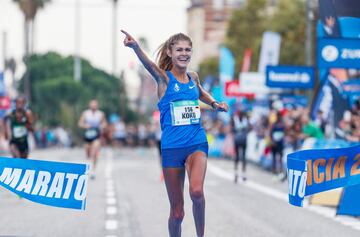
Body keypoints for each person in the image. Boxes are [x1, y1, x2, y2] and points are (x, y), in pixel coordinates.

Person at [121, 30, 228, 237]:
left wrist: (214, 103)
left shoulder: (193, 77)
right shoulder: (164, 79)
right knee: (177, 213)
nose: (184, 53)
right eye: (179, 49)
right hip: (171, 148)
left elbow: (199, 91)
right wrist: (135, 48)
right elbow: (149, 65)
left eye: (188, 50)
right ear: (170, 52)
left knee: (197, 192)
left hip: (196, 142)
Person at [78, 99, 107, 179]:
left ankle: (93, 170)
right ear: (90, 105)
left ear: (97, 106)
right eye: (92, 105)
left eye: (95, 105)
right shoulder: (85, 113)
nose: (94, 106)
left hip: (96, 135)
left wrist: (102, 126)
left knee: (94, 152)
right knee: (88, 153)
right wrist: (85, 126)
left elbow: (105, 123)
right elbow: (80, 123)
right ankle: (89, 164)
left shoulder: (101, 114)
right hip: (88, 135)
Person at [231, 109, 250, 183]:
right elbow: (232, 129)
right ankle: (236, 174)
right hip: (237, 140)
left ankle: (243, 174)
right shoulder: (235, 119)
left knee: (244, 157)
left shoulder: (246, 120)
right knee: (237, 157)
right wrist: (238, 130)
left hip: (244, 140)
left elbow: (249, 128)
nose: (241, 116)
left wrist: (245, 130)